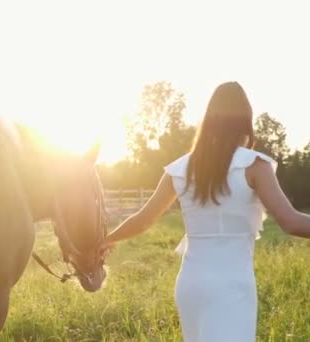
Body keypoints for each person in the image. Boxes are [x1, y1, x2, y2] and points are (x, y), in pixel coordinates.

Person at [102, 81, 310, 341]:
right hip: (232, 287)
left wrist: (106, 239)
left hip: (191, 286)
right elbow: (291, 222)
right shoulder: (255, 166)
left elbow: (143, 219)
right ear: (245, 122)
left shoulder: (179, 169)